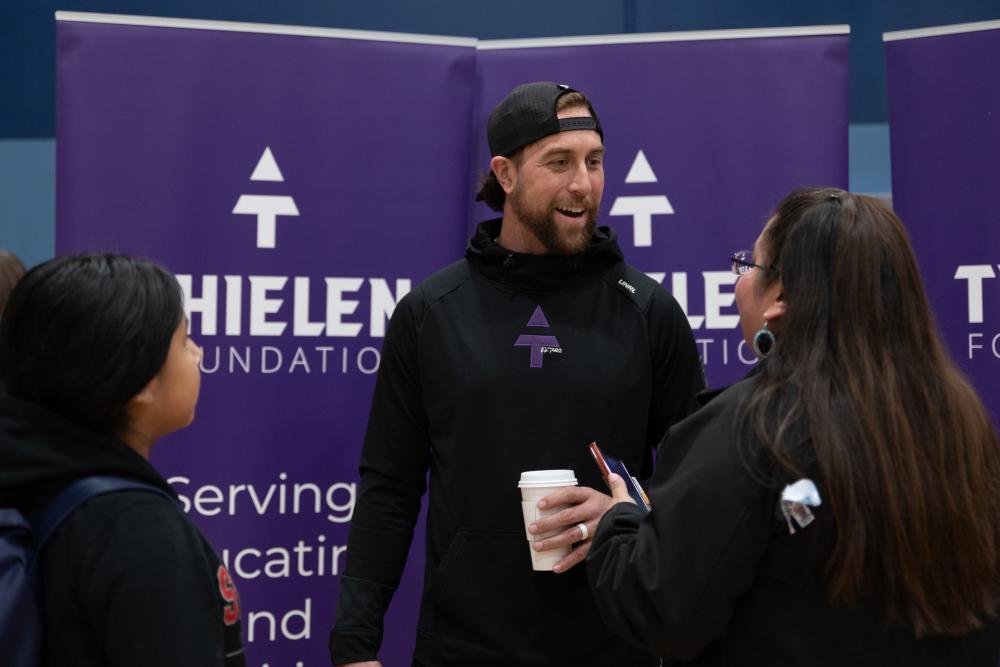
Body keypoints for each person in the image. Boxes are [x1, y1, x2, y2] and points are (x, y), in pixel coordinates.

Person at [328, 82, 705, 666]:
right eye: (559, 162)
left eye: (595, 161)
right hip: (462, 648)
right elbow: (389, 489)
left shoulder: (648, 312)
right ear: (505, 174)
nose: (584, 184)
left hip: (613, 646)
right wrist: (354, 645)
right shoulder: (432, 312)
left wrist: (629, 511)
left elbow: (698, 486)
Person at [584, 188, 1000, 665]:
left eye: (750, 266)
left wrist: (622, 520)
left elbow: (659, 608)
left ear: (779, 296)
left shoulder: (755, 427)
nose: (738, 281)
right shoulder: (964, 423)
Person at [0, 253, 246, 666]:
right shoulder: (141, 530)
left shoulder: (27, 474)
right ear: (141, 385)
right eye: (184, 341)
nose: (199, 353)